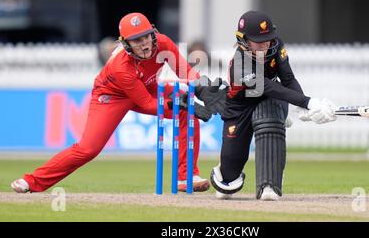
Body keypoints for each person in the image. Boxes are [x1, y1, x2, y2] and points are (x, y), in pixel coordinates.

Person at [11, 12, 216, 193]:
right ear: (126, 44)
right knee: (87, 149)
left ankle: (185, 177)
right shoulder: (121, 66)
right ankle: (33, 181)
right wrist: (178, 102)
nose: (144, 44)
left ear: (153, 34)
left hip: (148, 85)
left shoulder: (162, 43)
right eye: (136, 40)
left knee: (186, 110)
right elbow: (146, 104)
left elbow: (186, 72)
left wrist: (204, 89)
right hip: (112, 96)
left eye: (146, 37)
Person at [209, 10, 337, 201]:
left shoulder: (276, 45)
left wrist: (303, 105)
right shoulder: (239, 63)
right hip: (239, 107)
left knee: (267, 118)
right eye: (259, 41)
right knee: (228, 178)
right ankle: (228, 172)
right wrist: (307, 102)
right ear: (243, 40)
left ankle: (270, 181)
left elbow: (287, 78)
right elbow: (265, 86)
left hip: (270, 99)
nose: (266, 44)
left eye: (268, 39)